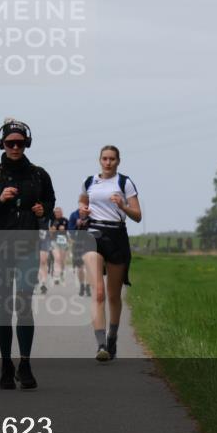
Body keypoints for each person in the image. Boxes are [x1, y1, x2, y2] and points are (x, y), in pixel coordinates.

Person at [0, 119, 55, 390]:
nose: (15, 147)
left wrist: (44, 208)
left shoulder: (39, 175)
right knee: (5, 306)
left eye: (20, 143)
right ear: (2, 145)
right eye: (10, 143)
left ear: (27, 143)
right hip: (0, 246)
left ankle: (26, 363)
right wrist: (0, 200)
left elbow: (50, 201)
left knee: (24, 302)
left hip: (28, 245)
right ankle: (6, 364)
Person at [79, 145, 141, 361]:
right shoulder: (90, 181)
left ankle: (112, 335)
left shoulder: (125, 182)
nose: (108, 162)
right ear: (99, 160)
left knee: (113, 295)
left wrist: (123, 206)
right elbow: (83, 200)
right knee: (98, 293)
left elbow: (138, 215)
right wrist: (82, 209)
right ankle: (101, 345)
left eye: (112, 159)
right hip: (93, 233)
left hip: (116, 234)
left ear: (118, 161)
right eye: (105, 158)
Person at [67, 207, 91, 297]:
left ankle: (88, 286)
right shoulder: (73, 215)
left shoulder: (92, 215)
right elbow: (70, 229)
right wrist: (76, 225)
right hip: (77, 243)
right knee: (80, 267)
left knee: (88, 266)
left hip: (89, 243)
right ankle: (82, 286)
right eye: (81, 210)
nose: (82, 211)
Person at [50, 207, 69, 285]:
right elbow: (50, 231)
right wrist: (54, 228)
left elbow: (70, 230)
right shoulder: (52, 220)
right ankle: (56, 277)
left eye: (59, 212)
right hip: (54, 241)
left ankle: (61, 273)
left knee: (62, 260)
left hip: (63, 241)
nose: (57, 213)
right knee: (57, 258)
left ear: (62, 212)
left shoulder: (65, 220)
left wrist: (64, 229)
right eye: (56, 212)